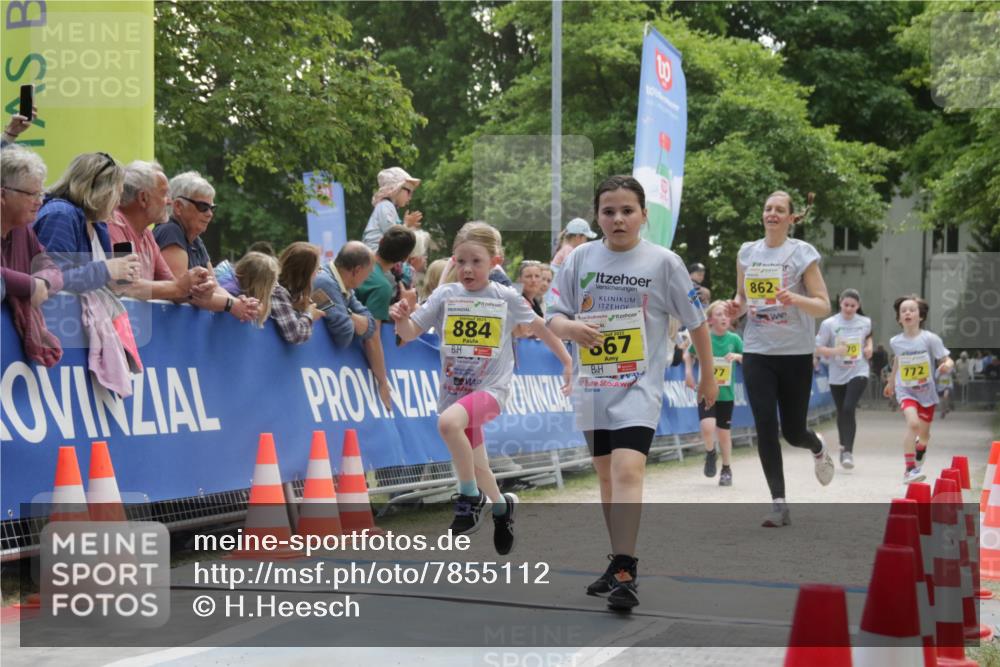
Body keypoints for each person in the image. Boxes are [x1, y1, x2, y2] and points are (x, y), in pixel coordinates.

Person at [547, 175, 717, 611]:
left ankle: (626, 570)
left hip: (639, 387)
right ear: (598, 216)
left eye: (627, 210)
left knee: (627, 472)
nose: (618, 219)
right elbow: (552, 316)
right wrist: (571, 329)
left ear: (643, 215)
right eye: (609, 211)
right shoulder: (580, 257)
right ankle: (616, 559)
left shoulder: (663, 262)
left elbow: (696, 321)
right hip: (593, 388)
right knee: (606, 478)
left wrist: (708, 376)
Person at [390, 221, 572, 557]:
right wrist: (402, 314)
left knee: (448, 424)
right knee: (479, 466)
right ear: (452, 262)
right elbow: (410, 332)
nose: (468, 269)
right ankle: (502, 509)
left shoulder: (505, 296)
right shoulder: (445, 295)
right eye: (461, 261)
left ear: (495, 262)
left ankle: (468, 497)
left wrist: (566, 361)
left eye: (476, 261)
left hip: (492, 391)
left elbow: (542, 328)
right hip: (456, 393)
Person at [725, 190, 833, 528]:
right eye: (768, 208)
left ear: (791, 218)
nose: (772, 213)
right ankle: (778, 503)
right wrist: (735, 308)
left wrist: (793, 299)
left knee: (793, 431)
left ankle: (816, 445)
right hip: (757, 350)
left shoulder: (801, 254)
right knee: (765, 427)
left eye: (780, 210)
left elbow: (823, 304)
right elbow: (742, 298)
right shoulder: (747, 253)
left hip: (796, 352)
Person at [154, 171, 258, 323]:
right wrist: (231, 304)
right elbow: (181, 292)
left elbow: (214, 286)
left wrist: (243, 305)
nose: (210, 214)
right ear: (178, 206)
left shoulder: (196, 240)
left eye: (212, 207)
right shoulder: (170, 231)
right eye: (203, 206)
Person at [32, 152, 140, 294]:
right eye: (117, 194)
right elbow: (52, 280)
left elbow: (88, 282)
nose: (119, 202)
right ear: (102, 191)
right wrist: (106, 270)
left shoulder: (98, 224)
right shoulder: (60, 215)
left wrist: (113, 283)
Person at [110, 161, 213, 301]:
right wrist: (180, 288)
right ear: (143, 198)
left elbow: (172, 286)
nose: (169, 202)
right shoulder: (115, 224)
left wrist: (196, 289)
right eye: (164, 194)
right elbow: (127, 286)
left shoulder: (146, 235)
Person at [1, 145, 63, 366]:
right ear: (2, 194)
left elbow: (53, 269)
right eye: (32, 194)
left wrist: (43, 283)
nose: (39, 201)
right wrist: (31, 285)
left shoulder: (24, 229)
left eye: (41, 193)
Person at [312, 241, 391, 411]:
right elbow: (344, 335)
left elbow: (370, 324)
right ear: (356, 271)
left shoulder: (345, 286)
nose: (368, 278)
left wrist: (345, 312)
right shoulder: (324, 282)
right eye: (368, 273)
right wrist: (350, 316)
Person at [883, 295, 953, 483]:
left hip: (927, 392)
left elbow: (946, 358)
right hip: (906, 390)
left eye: (912, 310)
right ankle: (910, 469)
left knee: (924, 435)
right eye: (903, 311)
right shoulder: (895, 341)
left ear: (920, 316)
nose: (907, 313)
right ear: (899, 318)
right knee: (913, 424)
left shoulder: (930, 339)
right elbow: (898, 360)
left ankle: (920, 448)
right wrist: (891, 382)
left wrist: (947, 365)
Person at [685, 300, 743, 486]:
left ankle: (726, 469)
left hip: (726, 394)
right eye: (719, 314)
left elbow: (749, 357)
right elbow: (689, 354)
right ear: (710, 320)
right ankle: (710, 453)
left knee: (724, 434)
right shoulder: (705, 337)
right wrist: (688, 373)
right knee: (707, 427)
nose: (724, 317)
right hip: (706, 391)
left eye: (726, 314)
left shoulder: (734, 339)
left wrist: (737, 356)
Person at [815, 288, 873, 470]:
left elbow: (869, 337)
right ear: (840, 303)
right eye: (846, 305)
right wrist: (835, 352)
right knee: (842, 411)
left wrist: (869, 347)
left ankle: (848, 451)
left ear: (858, 306)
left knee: (849, 407)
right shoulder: (829, 324)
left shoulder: (865, 322)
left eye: (853, 306)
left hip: (859, 369)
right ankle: (842, 447)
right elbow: (817, 348)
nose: (849, 309)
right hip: (837, 373)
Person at [272, 241, 324, 344]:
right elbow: (295, 335)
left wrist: (294, 306)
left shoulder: (284, 291)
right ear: (305, 273)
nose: (319, 270)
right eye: (317, 267)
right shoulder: (277, 292)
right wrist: (310, 315)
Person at [362, 167, 422, 251]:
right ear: (396, 188)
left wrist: (406, 226)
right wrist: (406, 225)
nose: (410, 197)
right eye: (409, 192)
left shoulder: (388, 207)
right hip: (374, 258)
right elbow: (393, 237)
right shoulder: (385, 205)